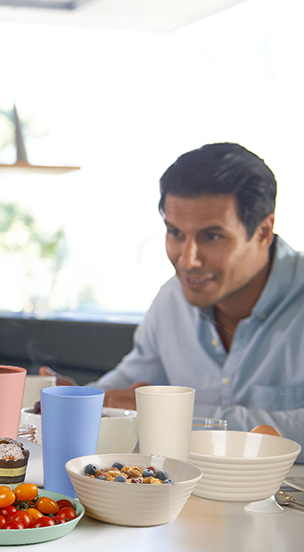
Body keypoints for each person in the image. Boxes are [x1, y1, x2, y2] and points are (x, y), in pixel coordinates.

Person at [41, 142, 304, 461]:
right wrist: (84, 399)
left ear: (263, 231)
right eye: (175, 233)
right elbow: (130, 384)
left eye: (211, 236)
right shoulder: (172, 298)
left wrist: (167, 417)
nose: (188, 259)